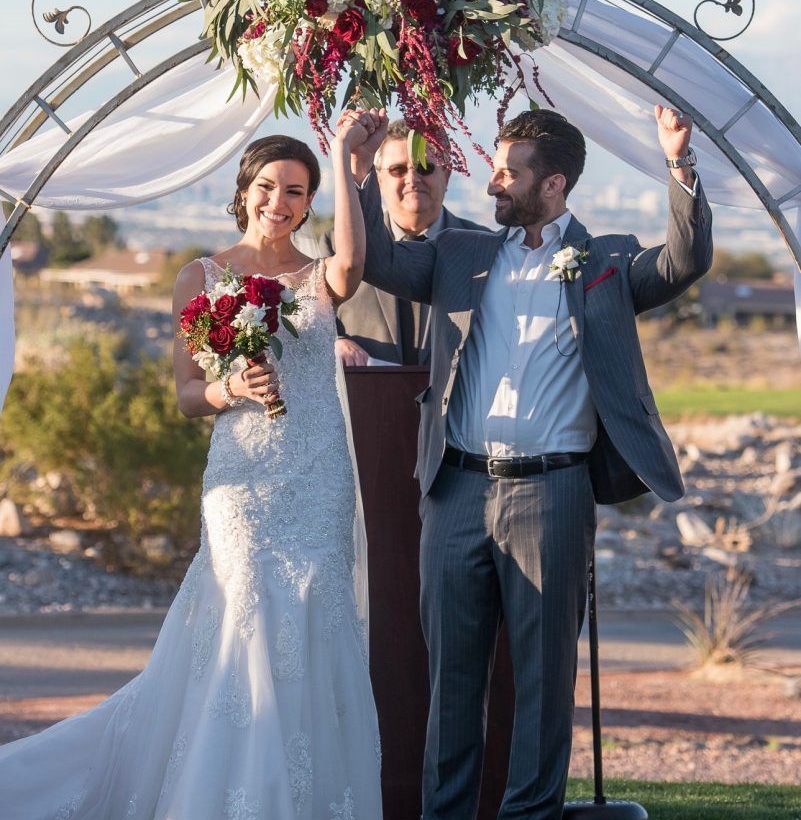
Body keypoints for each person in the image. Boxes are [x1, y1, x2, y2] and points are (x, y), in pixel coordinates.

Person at [0, 109, 387, 820]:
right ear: (244, 190)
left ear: (310, 201)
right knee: (243, 620)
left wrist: (345, 166)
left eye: (297, 191)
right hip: (242, 482)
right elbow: (184, 394)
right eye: (269, 186)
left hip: (319, 475)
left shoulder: (316, 275)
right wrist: (230, 387)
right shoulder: (199, 274)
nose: (280, 202)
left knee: (314, 625)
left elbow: (354, 266)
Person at [349, 106, 713, 820]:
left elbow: (685, 260)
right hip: (454, 487)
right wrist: (359, 173)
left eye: (507, 172)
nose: (492, 183)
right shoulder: (458, 255)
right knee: (450, 676)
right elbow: (379, 260)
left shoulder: (606, 260)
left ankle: (529, 815)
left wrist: (678, 164)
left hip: (553, 494)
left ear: (552, 185)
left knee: (544, 679)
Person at [324, 119, 486, 367]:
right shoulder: (338, 244)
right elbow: (313, 325)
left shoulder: (481, 246)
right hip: (369, 398)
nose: (412, 179)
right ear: (378, 179)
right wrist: (335, 342)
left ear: (447, 174)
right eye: (398, 170)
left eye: (425, 168)